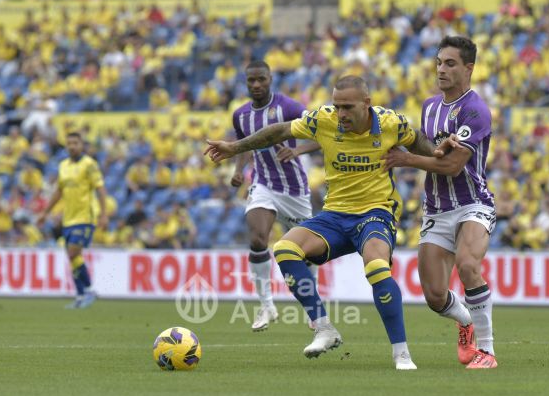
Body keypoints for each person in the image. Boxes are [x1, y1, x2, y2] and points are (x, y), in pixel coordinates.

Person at [206, 75, 450, 370]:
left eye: (347, 107)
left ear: (367, 104)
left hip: (376, 212)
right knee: (284, 248)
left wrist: (439, 155)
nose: (341, 114)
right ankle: (324, 328)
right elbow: (279, 131)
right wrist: (236, 147)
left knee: (375, 266)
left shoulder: (390, 123)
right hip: (334, 215)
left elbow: (417, 140)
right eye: (337, 106)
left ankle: (401, 353)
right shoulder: (324, 119)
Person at [381, 36, 498, 369]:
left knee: (467, 265)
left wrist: (406, 160)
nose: (441, 69)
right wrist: (422, 150)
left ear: (468, 68)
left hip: (473, 203)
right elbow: (431, 153)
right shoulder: (430, 106)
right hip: (436, 209)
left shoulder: (475, 110)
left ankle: (487, 352)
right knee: (434, 296)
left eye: (450, 63)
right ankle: (466, 322)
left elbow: (452, 165)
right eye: (439, 62)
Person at [230, 60, 321, 332]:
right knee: (258, 237)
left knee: (309, 253)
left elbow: (322, 133)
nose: (256, 85)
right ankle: (266, 305)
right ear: (246, 83)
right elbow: (245, 145)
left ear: (270, 79)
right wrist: (238, 170)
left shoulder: (289, 107)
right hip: (263, 184)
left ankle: (313, 308)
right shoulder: (240, 115)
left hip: (295, 190)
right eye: (251, 81)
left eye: (261, 79)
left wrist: (297, 151)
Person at [38, 132, 108, 309]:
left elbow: (100, 189)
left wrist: (104, 214)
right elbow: (58, 192)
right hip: (68, 218)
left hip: (85, 216)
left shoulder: (89, 164)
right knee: (73, 257)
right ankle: (80, 295)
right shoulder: (63, 166)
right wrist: (45, 212)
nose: (72, 146)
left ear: (82, 145)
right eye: (69, 143)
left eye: (75, 143)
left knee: (72, 252)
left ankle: (89, 290)